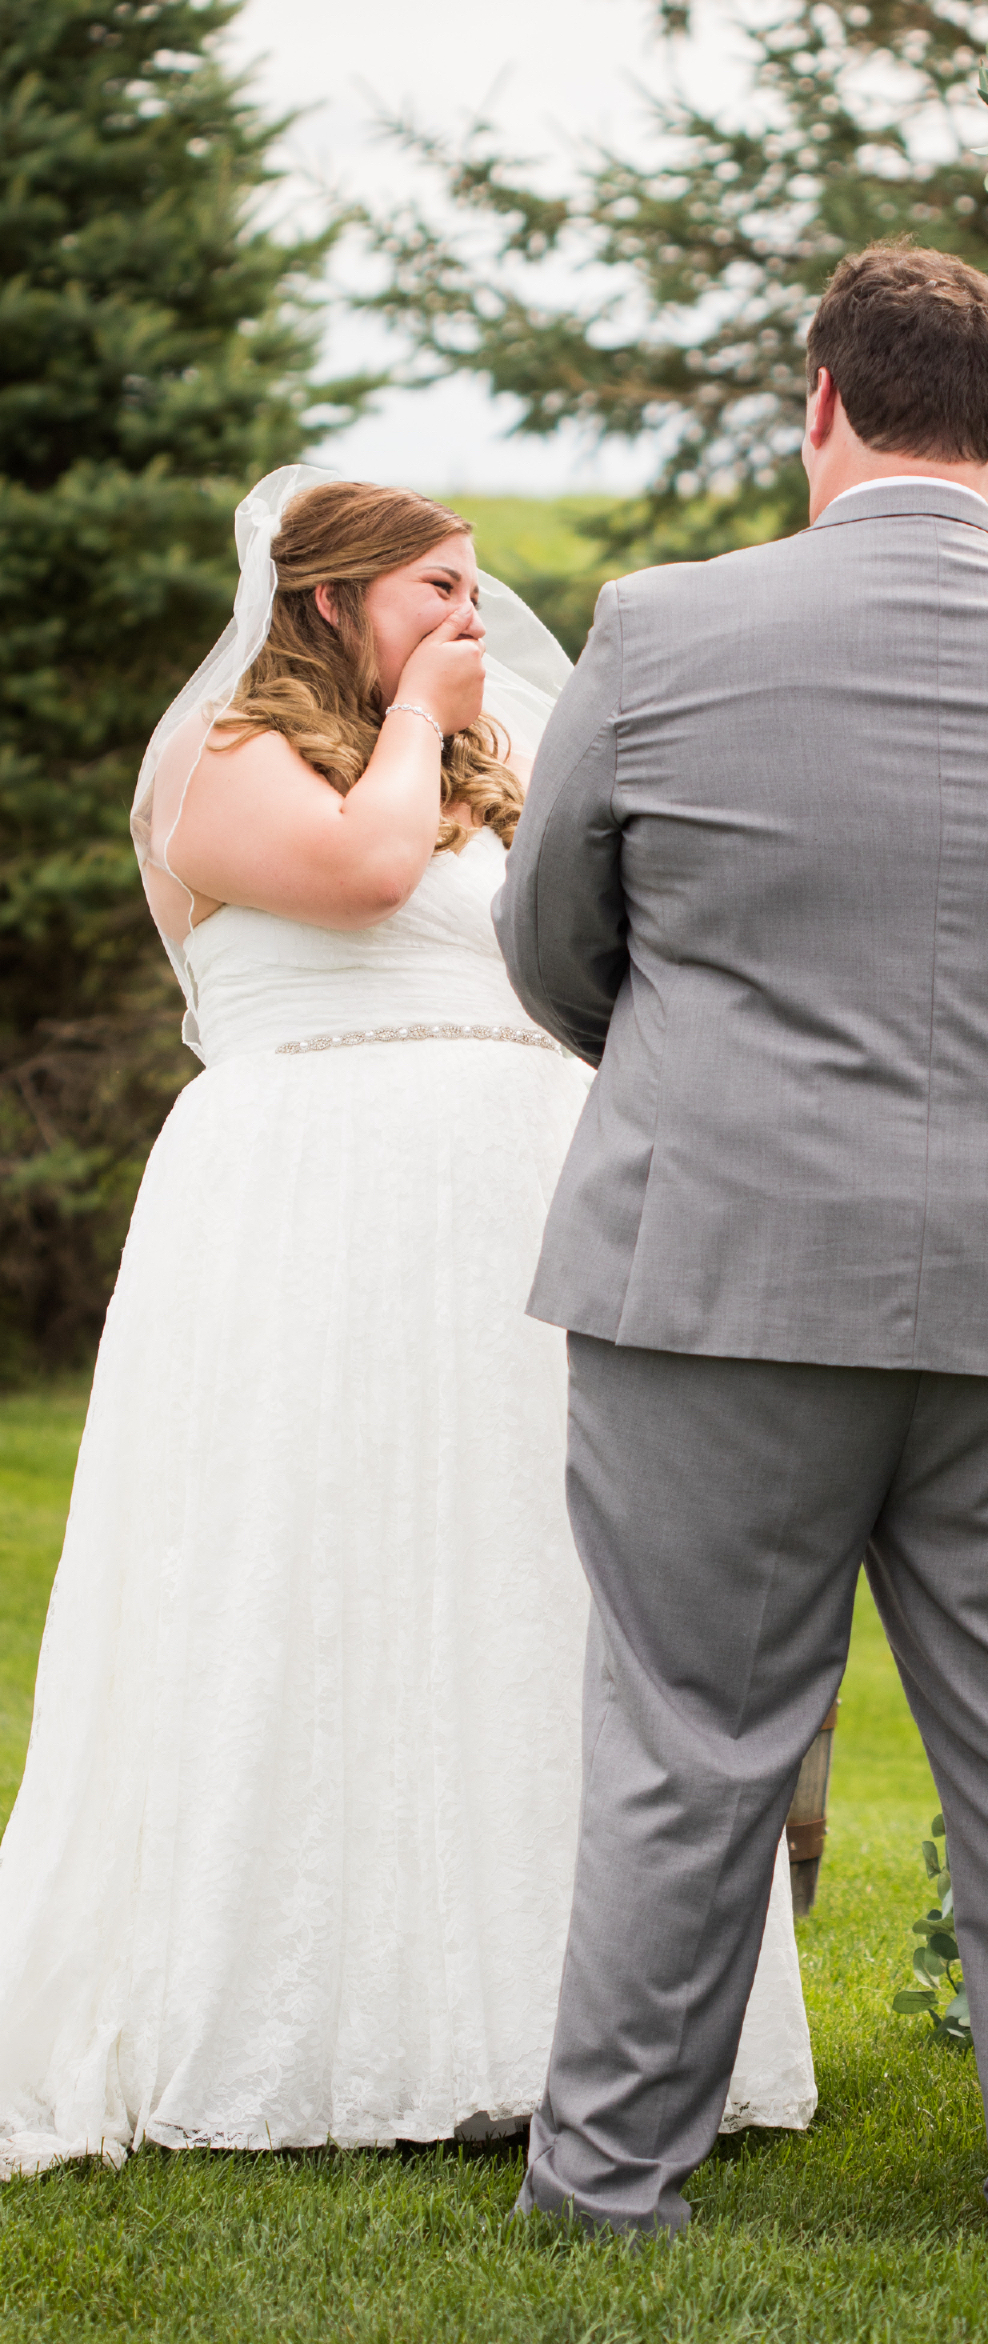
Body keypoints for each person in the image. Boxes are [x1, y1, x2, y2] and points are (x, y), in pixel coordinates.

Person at [494, 241, 988, 2245]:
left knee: (686, 1741)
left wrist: (697, 1078)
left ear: (816, 403)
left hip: (717, 1280)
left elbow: (550, 952)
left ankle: (607, 2194)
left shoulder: (659, 630)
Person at [0, 469, 813, 2180]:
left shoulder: (483, 747)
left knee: (527, 1587)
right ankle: (300, 2014)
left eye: (472, 582)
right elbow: (369, 879)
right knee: (314, 1571)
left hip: (513, 1210)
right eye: (428, 585)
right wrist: (424, 724)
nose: (465, 612)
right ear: (324, 604)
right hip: (304, 1207)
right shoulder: (224, 759)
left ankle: (554, 2026)